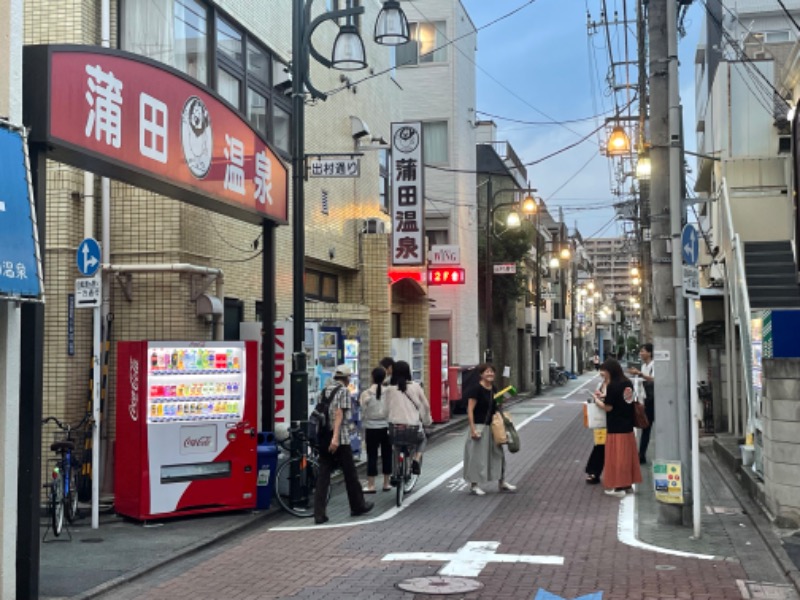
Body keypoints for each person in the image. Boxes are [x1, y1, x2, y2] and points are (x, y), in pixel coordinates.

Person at [313, 365, 374, 524]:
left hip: (324, 437)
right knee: (350, 474)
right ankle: (357, 505)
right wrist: (335, 438)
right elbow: (339, 414)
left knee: (323, 475)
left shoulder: (324, 391)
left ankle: (319, 513)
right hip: (340, 438)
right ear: (346, 378)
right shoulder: (343, 392)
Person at [463, 363, 517, 496]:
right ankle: (474, 485)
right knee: (477, 457)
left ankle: (502, 482)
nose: (490, 374)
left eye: (492, 371)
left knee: (498, 455)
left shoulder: (493, 388)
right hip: (480, 426)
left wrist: (503, 400)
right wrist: (473, 429)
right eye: (487, 372)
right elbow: (470, 409)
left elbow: (495, 406)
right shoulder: (475, 388)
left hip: (493, 426)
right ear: (481, 374)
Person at [593, 358, 641, 497]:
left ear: (610, 371)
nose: (603, 374)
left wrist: (597, 401)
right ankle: (627, 485)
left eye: (604, 371)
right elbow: (622, 400)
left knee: (616, 458)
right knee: (627, 458)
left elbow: (608, 407)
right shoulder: (627, 383)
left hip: (615, 427)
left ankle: (617, 487)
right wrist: (604, 396)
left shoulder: (613, 385)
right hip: (628, 425)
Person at [385, 360, 431, 475]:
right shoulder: (415, 386)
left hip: (394, 426)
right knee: (422, 439)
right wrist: (427, 421)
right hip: (412, 427)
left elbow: (385, 409)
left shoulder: (389, 389)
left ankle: (395, 474)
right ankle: (416, 459)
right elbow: (426, 405)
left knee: (396, 446)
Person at [359, 366, 392, 493]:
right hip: (386, 427)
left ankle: (371, 484)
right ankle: (386, 483)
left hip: (371, 428)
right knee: (387, 454)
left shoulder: (366, 393)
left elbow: (362, 410)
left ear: (372, 377)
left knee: (372, 455)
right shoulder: (389, 392)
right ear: (384, 378)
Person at [629, 343, 655, 464]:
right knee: (646, 426)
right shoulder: (644, 365)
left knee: (647, 426)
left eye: (643, 351)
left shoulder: (654, 364)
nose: (641, 353)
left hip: (655, 399)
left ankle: (642, 454)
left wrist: (639, 374)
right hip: (647, 399)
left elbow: (654, 379)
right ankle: (641, 454)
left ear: (649, 353)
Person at [584, 379, 606, 484]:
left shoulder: (616, 384)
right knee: (599, 445)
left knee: (602, 447)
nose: (602, 375)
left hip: (612, 420)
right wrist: (598, 396)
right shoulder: (601, 384)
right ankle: (594, 472)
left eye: (604, 372)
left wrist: (600, 399)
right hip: (601, 421)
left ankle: (594, 472)